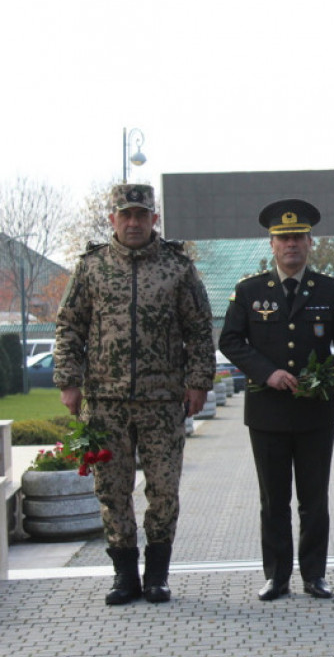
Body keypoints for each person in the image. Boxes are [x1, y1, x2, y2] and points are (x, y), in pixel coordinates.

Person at [54, 183, 214, 605]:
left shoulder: (177, 266)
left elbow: (199, 328)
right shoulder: (91, 268)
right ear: (112, 220)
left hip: (162, 402)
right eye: (125, 215)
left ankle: (157, 575)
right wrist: (68, 381)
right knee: (112, 489)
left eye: (141, 215)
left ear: (154, 219)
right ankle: (124, 575)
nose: (133, 222)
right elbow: (69, 325)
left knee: (163, 490)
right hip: (105, 403)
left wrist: (198, 381)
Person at [219, 199, 334, 600]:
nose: (291, 245)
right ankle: (276, 576)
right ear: (271, 244)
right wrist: (267, 372)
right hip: (267, 413)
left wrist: (326, 374)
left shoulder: (331, 290)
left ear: (310, 242)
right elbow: (229, 340)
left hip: (315, 411)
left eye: (298, 237)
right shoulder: (249, 291)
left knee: (314, 500)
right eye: (283, 238)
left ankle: (314, 574)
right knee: (274, 501)